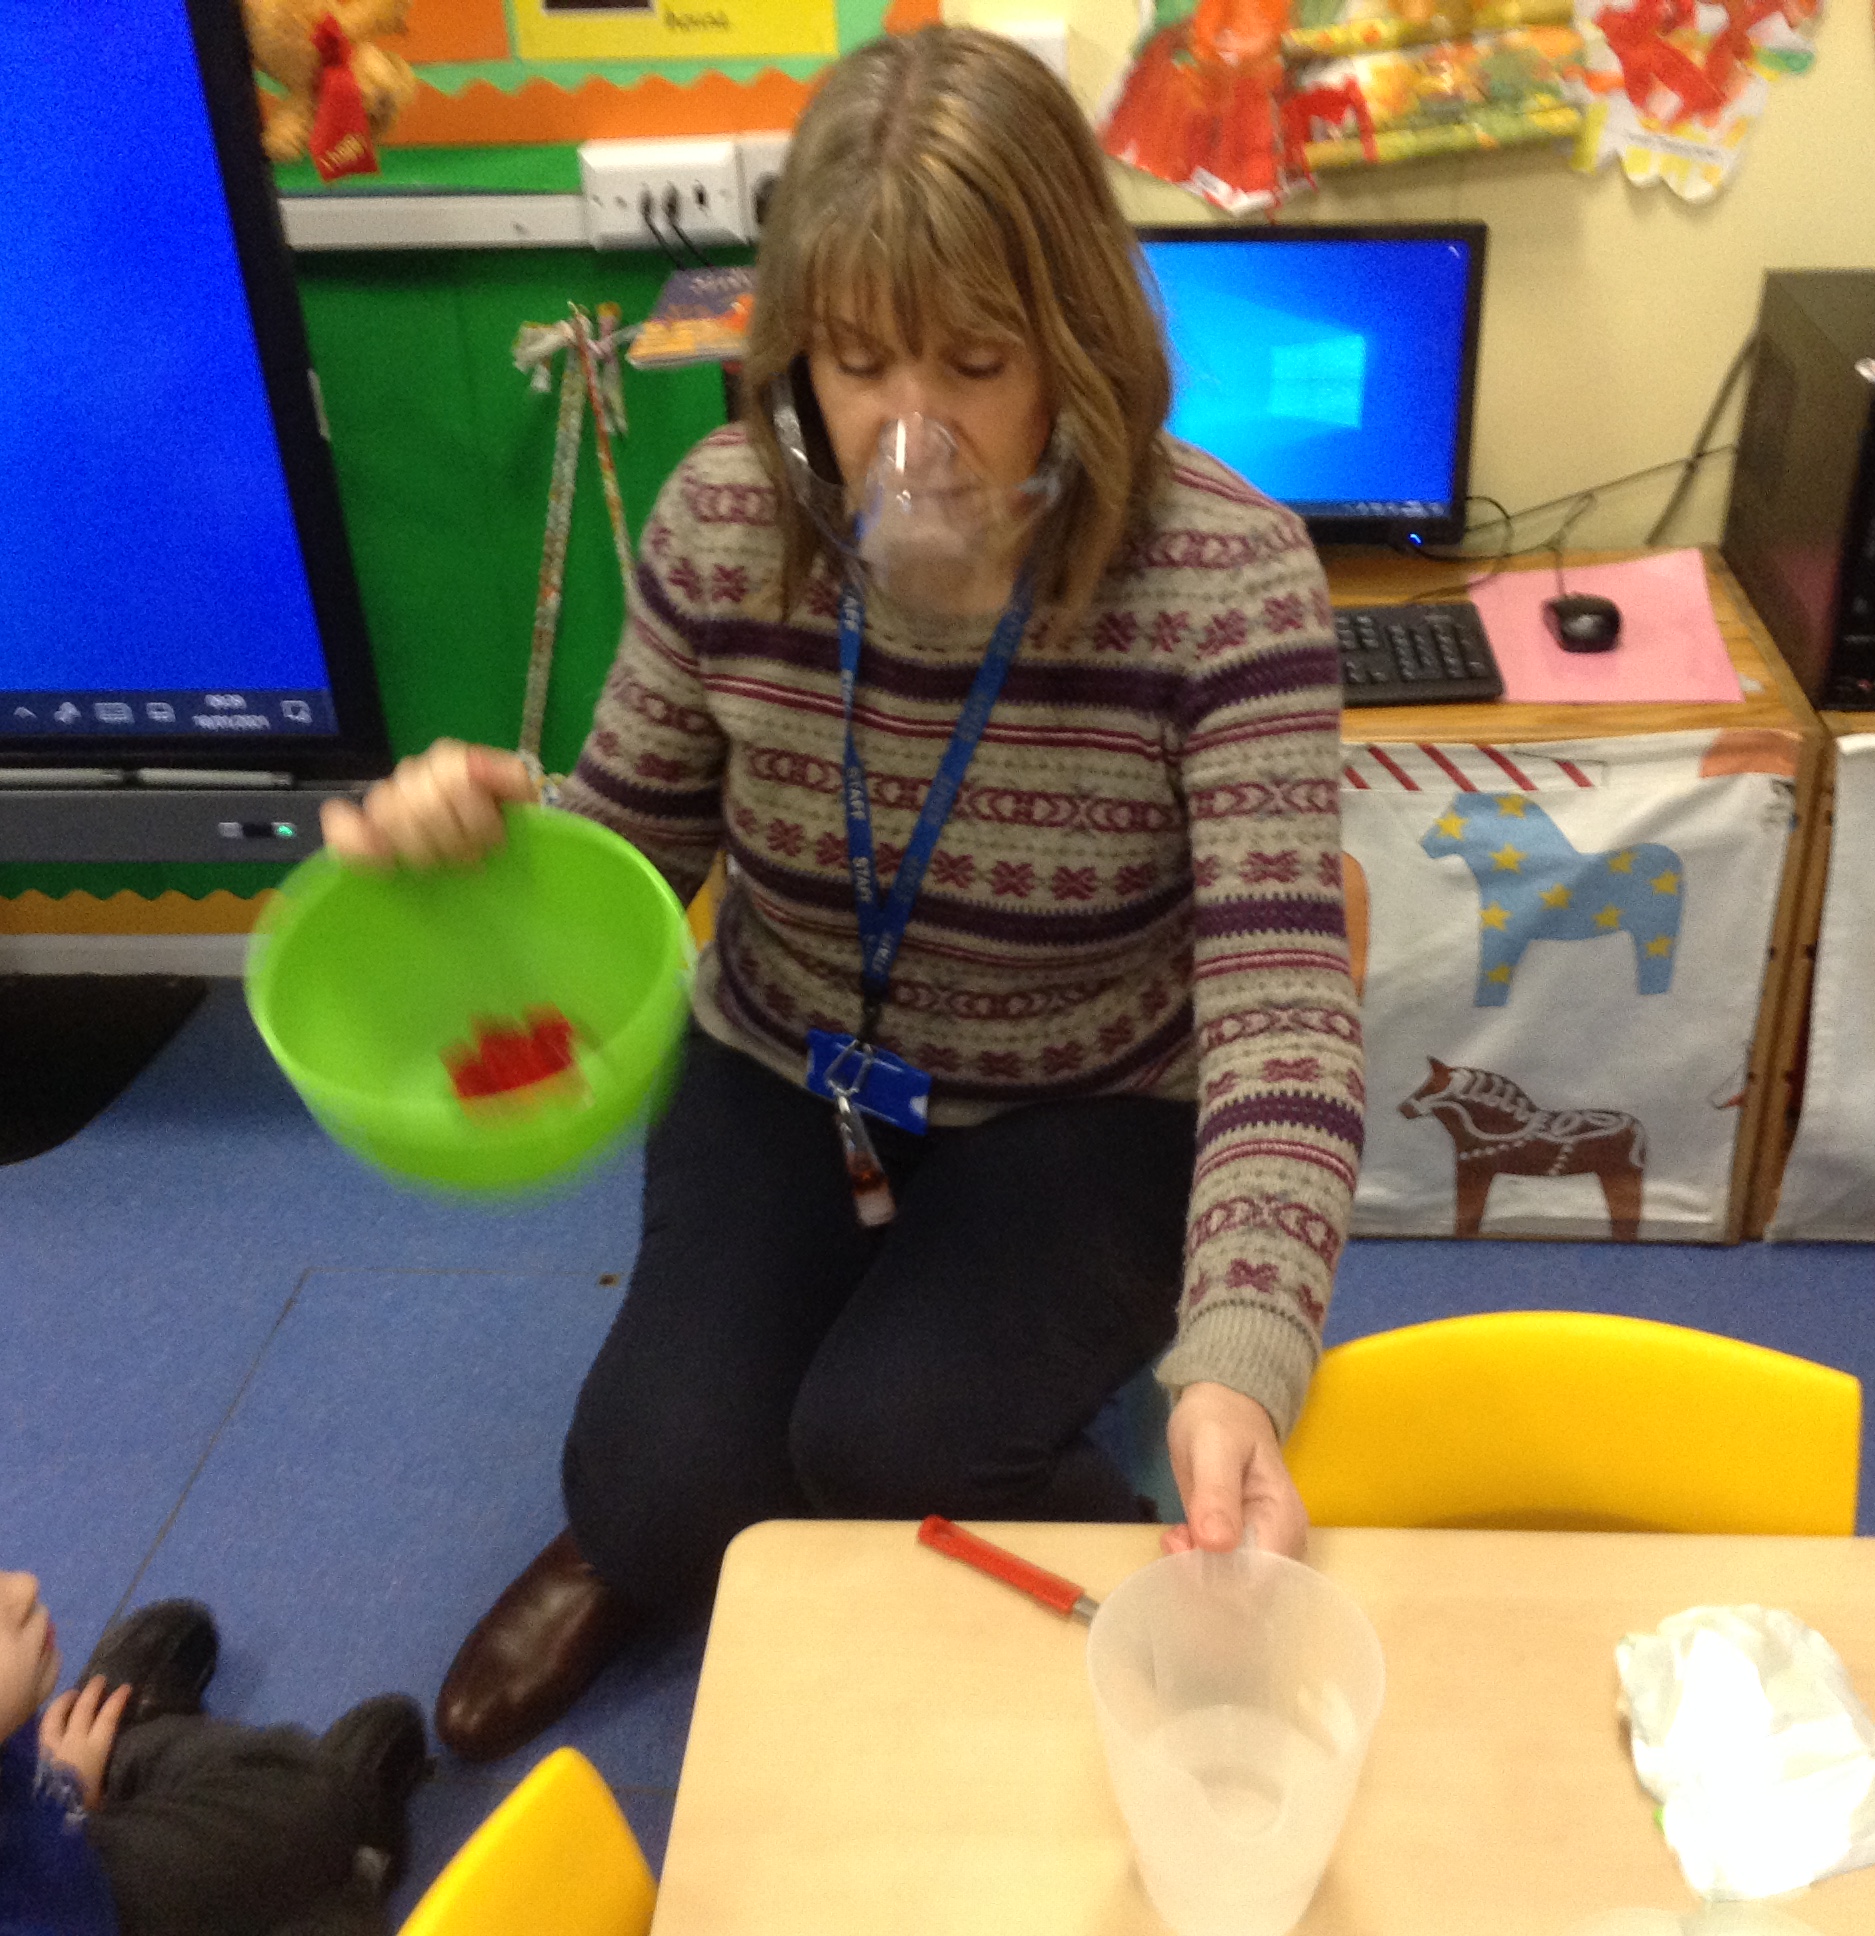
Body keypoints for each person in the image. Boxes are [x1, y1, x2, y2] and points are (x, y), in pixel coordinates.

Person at [322, 24, 1364, 1764]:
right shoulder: (728, 519)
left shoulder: (1228, 579)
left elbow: (1280, 1005)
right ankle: (631, 1538)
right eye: (858, 362)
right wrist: (485, 853)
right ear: (795, 353)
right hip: (789, 1060)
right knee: (665, 1490)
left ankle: (1087, 1520)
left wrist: (1240, 1359)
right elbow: (634, 850)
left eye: (975, 360)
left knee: (887, 1442)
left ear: (1081, 351)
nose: (912, 432)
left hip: (1084, 1094)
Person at [0, 1569, 429, 1936]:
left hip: (68, 1860)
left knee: (294, 1796)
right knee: (314, 1813)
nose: (22, 1588)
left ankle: (120, 1744)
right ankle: (360, 1870)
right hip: (82, 1907)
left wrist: (67, 1786)